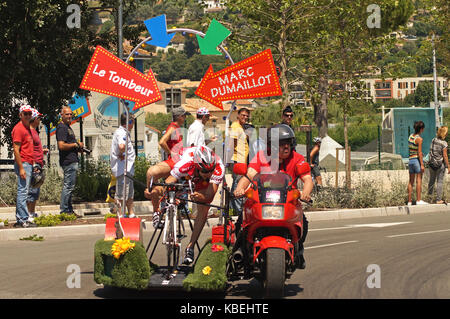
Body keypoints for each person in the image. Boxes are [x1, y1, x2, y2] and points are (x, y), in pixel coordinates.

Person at [234, 124, 313, 269]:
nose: (286, 147)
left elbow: (307, 179)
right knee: (241, 222)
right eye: (282, 144)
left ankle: (299, 250)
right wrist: (240, 189)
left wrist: (306, 193)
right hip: (260, 201)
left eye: (288, 143)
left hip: (288, 202)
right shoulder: (262, 156)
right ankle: (240, 251)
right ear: (272, 145)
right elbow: (248, 175)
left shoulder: (297, 158)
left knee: (304, 223)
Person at [150, 145, 224, 265]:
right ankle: (158, 212)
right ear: (197, 166)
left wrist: (200, 196)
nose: (209, 173)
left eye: (210, 170)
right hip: (185, 172)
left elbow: (209, 195)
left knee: (204, 208)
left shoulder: (218, 168)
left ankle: (190, 247)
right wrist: (163, 194)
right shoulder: (185, 164)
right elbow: (168, 182)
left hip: (201, 181)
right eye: (205, 171)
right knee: (165, 188)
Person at [144, 107, 190, 220]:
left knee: (158, 189)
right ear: (179, 117)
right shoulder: (173, 128)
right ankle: (156, 207)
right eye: (184, 116)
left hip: (178, 164)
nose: (185, 118)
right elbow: (162, 142)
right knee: (151, 172)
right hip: (175, 163)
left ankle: (157, 211)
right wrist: (172, 154)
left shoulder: (177, 128)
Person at [12, 104, 37, 227]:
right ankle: (23, 219)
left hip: (28, 163)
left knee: (24, 191)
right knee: (23, 191)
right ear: (20, 115)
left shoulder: (27, 128)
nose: (27, 116)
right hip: (24, 163)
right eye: (25, 114)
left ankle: (20, 219)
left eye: (29, 114)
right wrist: (21, 167)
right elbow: (16, 149)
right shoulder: (19, 129)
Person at [56, 106, 84, 217]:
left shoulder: (68, 127)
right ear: (61, 115)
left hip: (72, 160)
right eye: (66, 114)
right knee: (68, 186)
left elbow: (70, 145)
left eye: (70, 114)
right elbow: (61, 146)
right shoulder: (62, 127)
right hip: (68, 162)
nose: (69, 116)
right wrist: (75, 144)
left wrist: (79, 148)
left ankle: (69, 210)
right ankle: (64, 211)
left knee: (70, 187)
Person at [111, 113, 136, 218]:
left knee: (129, 193)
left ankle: (131, 213)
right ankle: (120, 214)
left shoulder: (124, 132)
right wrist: (121, 153)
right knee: (121, 194)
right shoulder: (121, 133)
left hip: (127, 169)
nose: (133, 124)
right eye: (132, 122)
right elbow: (121, 146)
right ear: (129, 122)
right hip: (122, 169)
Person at [27, 108, 49, 218]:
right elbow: (29, 149)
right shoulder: (30, 131)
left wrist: (42, 151)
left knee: (36, 189)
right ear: (34, 119)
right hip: (34, 164)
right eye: (39, 118)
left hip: (38, 164)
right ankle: (28, 213)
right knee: (32, 190)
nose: (40, 120)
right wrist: (35, 164)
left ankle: (32, 212)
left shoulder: (34, 131)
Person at [229, 107, 250, 216]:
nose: (245, 117)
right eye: (243, 115)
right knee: (238, 184)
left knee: (236, 183)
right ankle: (237, 210)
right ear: (238, 115)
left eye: (247, 116)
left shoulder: (240, 127)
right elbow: (231, 143)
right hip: (237, 160)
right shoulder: (235, 127)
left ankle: (233, 208)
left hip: (241, 159)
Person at [427, 126, 449, 204]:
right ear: (444, 133)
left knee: (431, 181)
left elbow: (431, 151)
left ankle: (429, 198)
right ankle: (438, 199)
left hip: (431, 163)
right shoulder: (444, 143)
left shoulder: (433, 140)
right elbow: (445, 156)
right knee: (439, 182)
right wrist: (448, 166)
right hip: (439, 165)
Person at [407, 121, 428, 205]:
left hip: (410, 160)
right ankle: (419, 200)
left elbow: (412, 149)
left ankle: (409, 201)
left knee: (410, 182)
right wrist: (422, 165)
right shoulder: (419, 139)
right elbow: (419, 152)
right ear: (421, 129)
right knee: (418, 180)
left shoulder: (410, 136)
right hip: (416, 161)